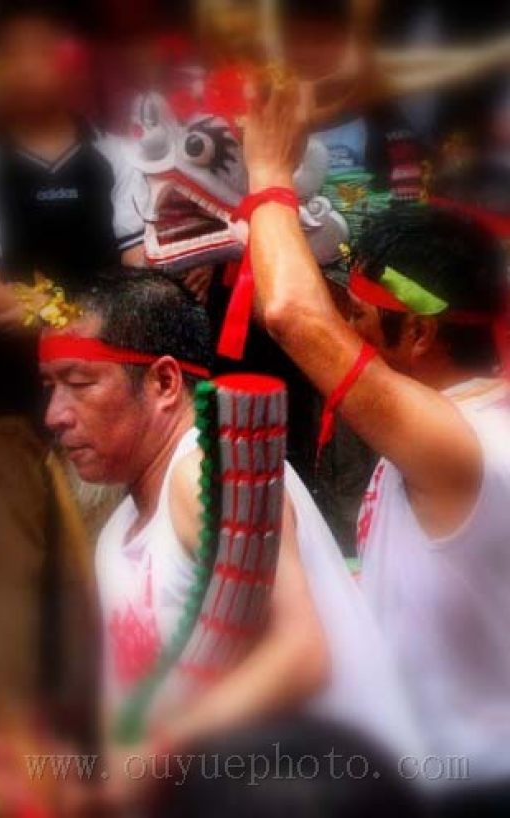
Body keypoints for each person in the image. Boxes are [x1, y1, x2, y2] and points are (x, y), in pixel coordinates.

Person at [40, 270, 422, 814]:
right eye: (50, 388)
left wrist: (155, 756)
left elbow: (301, 654)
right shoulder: (121, 526)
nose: (54, 415)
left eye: (79, 384)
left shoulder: (209, 474)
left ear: (165, 383)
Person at [240, 79, 510, 812]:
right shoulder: (457, 414)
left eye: (359, 316)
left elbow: (293, 316)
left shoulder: (463, 443)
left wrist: (268, 171)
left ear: (419, 331)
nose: (347, 331)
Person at [0, 0, 145, 745]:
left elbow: (137, 269)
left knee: (101, 565)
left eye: (47, 51)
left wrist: (49, 316)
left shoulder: (114, 156)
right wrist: (73, 317)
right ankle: (11, 743)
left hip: (99, 403)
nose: (31, 68)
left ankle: (109, 728)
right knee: (2, 571)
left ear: (76, 62)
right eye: (15, 54)